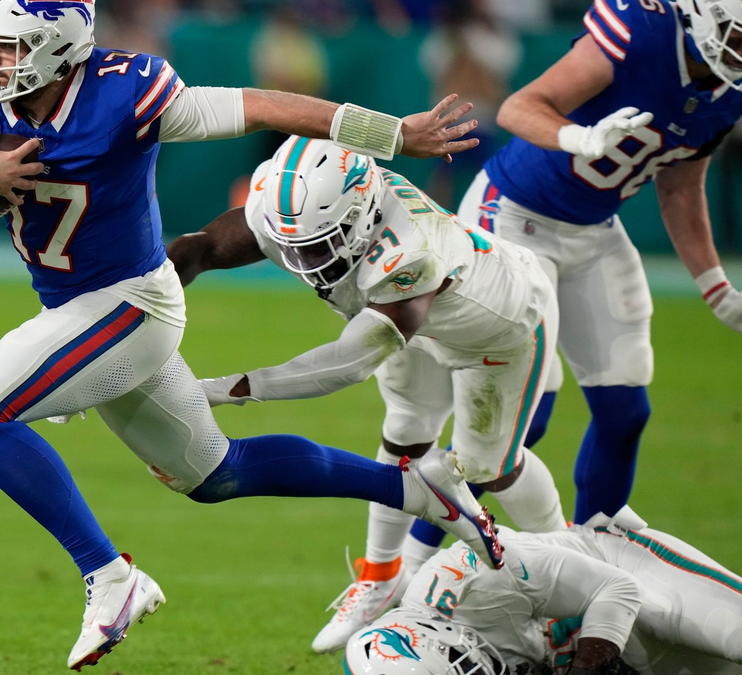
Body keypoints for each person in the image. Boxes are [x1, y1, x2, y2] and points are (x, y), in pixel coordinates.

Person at [0, 0, 499, 669]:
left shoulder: (125, 92)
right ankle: (415, 488)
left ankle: (110, 575)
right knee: (216, 473)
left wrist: (394, 134)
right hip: (75, 307)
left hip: (131, 303)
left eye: (8, 47)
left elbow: (261, 105)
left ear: (56, 47)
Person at [169, 138, 566, 654]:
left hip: (499, 328)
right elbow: (196, 250)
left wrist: (222, 391)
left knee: (487, 467)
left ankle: (570, 562)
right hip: (413, 320)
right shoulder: (292, 211)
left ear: (362, 214)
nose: (300, 257)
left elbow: (348, 363)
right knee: (404, 432)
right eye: (292, 241)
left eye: (317, 242)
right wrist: (131, 321)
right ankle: (380, 577)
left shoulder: (409, 251)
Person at [448, 0, 742, 533]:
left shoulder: (729, 91)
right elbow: (519, 107)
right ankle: (409, 565)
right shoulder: (642, 33)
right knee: (523, 419)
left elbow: (680, 187)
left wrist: (715, 286)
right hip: (512, 213)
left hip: (593, 230)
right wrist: (578, 138)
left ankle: (590, 570)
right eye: (737, 36)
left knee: (626, 413)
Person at [345, 503, 742, 675]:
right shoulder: (448, 649)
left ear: (445, 639)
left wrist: (588, 666)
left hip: (628, 573)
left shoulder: (475, 578)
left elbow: (617, 589)